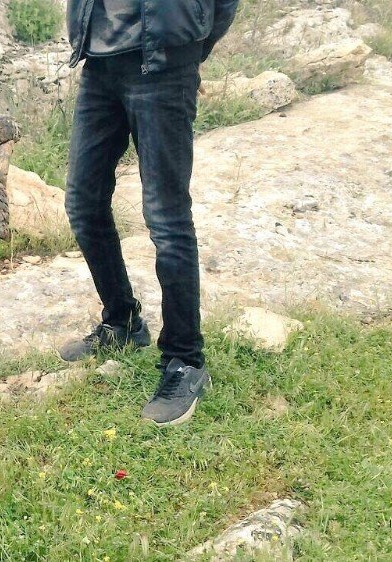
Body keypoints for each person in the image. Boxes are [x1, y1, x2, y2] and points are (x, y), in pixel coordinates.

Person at [59, 0, 239, 426]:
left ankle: (185, 361)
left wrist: (188, 48)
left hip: (164, 64)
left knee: (166, 217)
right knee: (83, 203)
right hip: (99, 64)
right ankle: (122, 322)